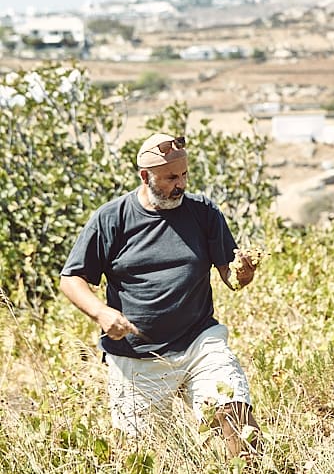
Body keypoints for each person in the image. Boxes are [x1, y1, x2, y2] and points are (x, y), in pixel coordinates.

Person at [59, 132, 260, 457]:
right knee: (144, 464)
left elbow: (230, 276)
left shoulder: (203, 212)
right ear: (145, 176)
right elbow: (71, 279)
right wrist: (100, 312)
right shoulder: (111, 219)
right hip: (136, 358)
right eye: (170, 178)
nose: (180, 185)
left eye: (183, 175)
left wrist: (243, 274)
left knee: (236, 419)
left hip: (200, 343)